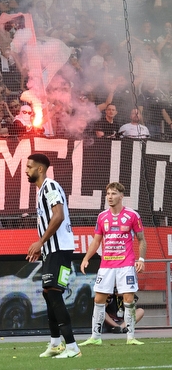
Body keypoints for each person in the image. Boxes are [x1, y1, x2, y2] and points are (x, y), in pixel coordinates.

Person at [25, 153, 80, 359]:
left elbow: (59, 215)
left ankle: (72, 347)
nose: (26, 170)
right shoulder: (40, 192)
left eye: (29, 167)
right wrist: (42, 246)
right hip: (52, 251)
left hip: (60, 250)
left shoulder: (49, 186)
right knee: (49, 294)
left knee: (54, 294)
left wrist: (40, 241)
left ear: (40, 169)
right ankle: (56, 343)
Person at [79, 182, 146, 346]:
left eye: (113, 193)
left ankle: (131, 337)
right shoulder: (102, 217)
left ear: (121, 196)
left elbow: (141, 239)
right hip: (107, 266)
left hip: (126, 264)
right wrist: (86, 258)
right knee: (99, 299)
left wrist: (141, 260)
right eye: (108, 193)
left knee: (129, 299)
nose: (110, 196)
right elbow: (96, 241)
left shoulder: (132, 215)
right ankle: (95, 337)